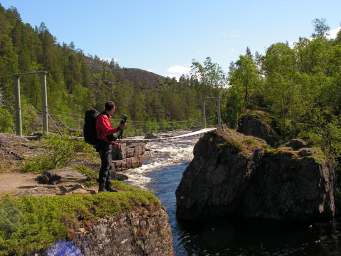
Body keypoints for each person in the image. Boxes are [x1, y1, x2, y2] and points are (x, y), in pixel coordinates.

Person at [96, 101, 125, 192]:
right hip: (103, 145)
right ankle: (102, 188)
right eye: (114, 109)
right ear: (111, 109)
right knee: (105, 165)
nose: (114, 111)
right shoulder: (102, 117)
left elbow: (106, 135)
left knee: (108, 166)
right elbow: (107, 131)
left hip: (106, 144)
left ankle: (108, 186)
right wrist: (118, 128)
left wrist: (113, 143)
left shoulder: (105, 117)